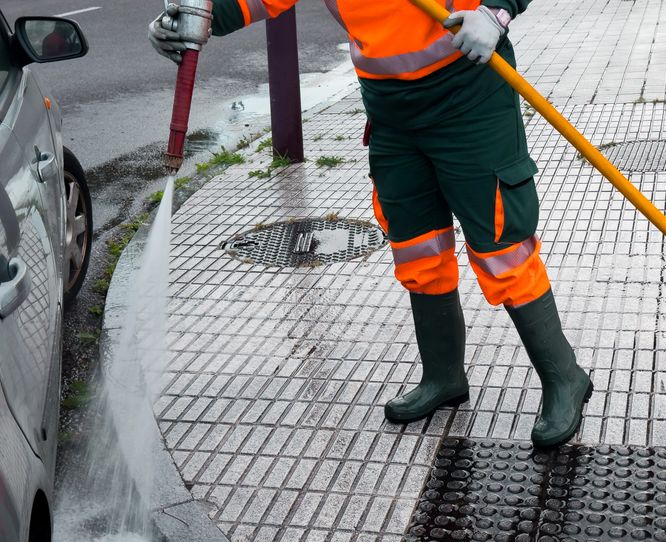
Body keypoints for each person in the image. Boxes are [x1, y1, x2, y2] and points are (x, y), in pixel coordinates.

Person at [149, 0, 593, 448]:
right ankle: (444, 376)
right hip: (391, 109)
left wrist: (497, 11)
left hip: (468, 92)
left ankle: (564, 378)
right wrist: (193, 20)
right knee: (418, 247)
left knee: (501, 247)